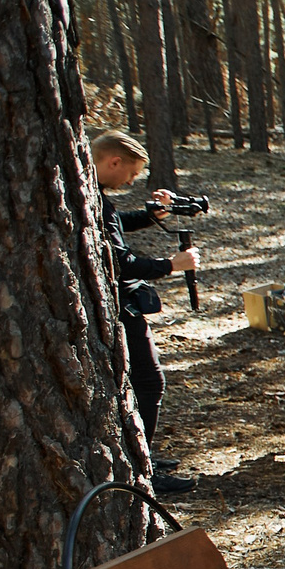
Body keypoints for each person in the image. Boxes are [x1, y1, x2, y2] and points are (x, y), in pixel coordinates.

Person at [91, 130, 203, 494]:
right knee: (149, 381)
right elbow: (118, 259)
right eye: (132, 173)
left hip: (115, 305)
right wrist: (170, 265)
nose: (132, 180)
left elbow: (114, 224)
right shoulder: (90, 195)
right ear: (113, 162)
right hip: (121, 306)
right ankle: (144, 468)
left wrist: (149, 215)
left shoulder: (92, 195)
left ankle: (142, 455)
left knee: (140, 382)